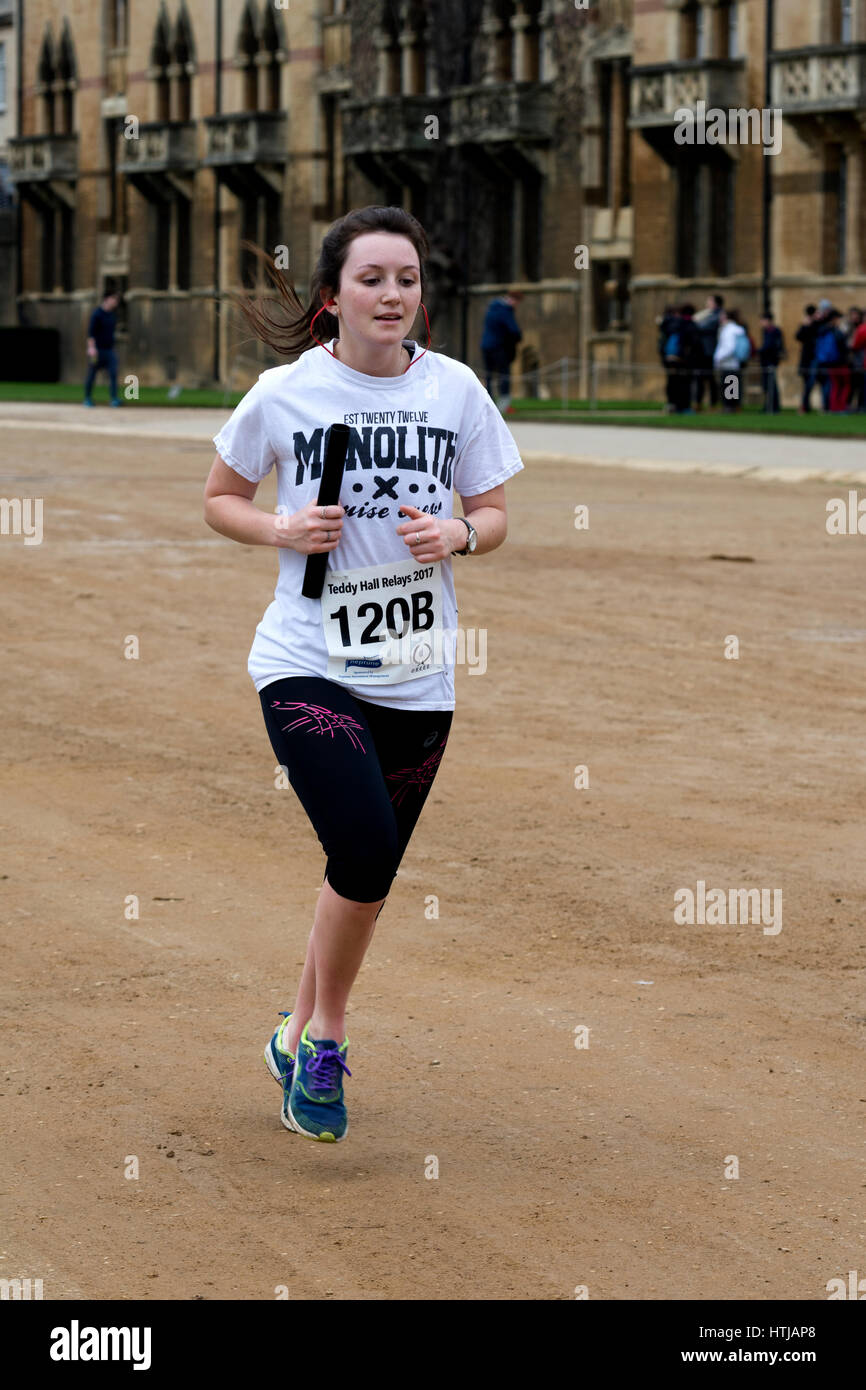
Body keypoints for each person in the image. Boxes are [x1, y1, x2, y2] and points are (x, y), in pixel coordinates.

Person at [203, 206, 524, 1144]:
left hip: (418, 673)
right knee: (366, 849)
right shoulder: (284, 392)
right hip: (306, 660)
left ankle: (293, 1028)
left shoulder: (456, 391)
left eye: (408, 279)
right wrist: (280, 528)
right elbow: (222, 498)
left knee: (360, 866)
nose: (392, 295)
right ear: (333, 296)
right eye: (373, 278)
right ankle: (328, 1043)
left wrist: (461, 533)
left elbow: (496, 513)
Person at [480, 289, 522, 410]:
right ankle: (504, 405)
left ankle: (488, 403)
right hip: (499, 347)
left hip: (486, 345)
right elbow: (514, 331)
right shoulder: (505, 311)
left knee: (489, 376)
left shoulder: (492, 307)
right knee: (504, 375)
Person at [83, 291, 121, 407]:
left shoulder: (112, 316)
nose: (115, 302)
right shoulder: (97, 314)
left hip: (109, 350)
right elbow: (91, 333)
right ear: (106, 299)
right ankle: (87, 398)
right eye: (113, 299)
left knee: (114, 372)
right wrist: (91, 348)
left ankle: (114, 398)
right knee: (92, 374)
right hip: (97, 351)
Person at [660, 303, 700, 413]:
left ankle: (673, 404)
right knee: (684, 384)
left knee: (673, 382)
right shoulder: (687, 325)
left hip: (670, 358)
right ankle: (683, 406)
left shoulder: (668, 325)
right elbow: (693, 343)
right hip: (683, 360)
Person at [714, 307, 749, 412]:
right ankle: (733, 406)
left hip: (728, 362)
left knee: (729, 386)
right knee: (733, 385)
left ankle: (730, 407)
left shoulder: (729, 330)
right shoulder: (738, 329)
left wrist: (718, 358)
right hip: (734, 362)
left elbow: (729, 347)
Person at [692, 293, 724, 409]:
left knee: (728, 379)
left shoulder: (718, 316)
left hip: (714, 354)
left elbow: (699, 325)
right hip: (710, 353)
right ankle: (729, 405)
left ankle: (731, 405)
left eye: (710, 301)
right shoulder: (709, 314)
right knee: (702, 378)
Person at [813, 308, 847, 411]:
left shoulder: (822, 330)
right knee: (841, 385)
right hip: (838, 362)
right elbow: (843, 346)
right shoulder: (836, 331)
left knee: (831, 385)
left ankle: (829, 406)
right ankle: (838, 407)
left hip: (826, 361)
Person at [758, 311, 785, 413]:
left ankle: (773, 407)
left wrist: (759, 351)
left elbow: (771, 346)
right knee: (767, 385)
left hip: (771, 361)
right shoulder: (766, 331)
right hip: (766, 361)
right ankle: (769, 406)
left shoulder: (774, 331)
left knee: (771, 384)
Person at [795, 304, 819, 413]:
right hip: (807, 358)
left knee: (811, 382)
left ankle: (805, 405)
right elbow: (798, 337)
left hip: (815, 357)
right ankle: (805, 406)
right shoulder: (807, 325)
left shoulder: (818, 324)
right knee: (807, 383)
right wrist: (805, 325)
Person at [849, 308, 866, 413]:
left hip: (862, 363)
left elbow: (855, 345)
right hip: (861, 362)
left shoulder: (862, 329)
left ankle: (861, 407)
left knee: (861, 387)